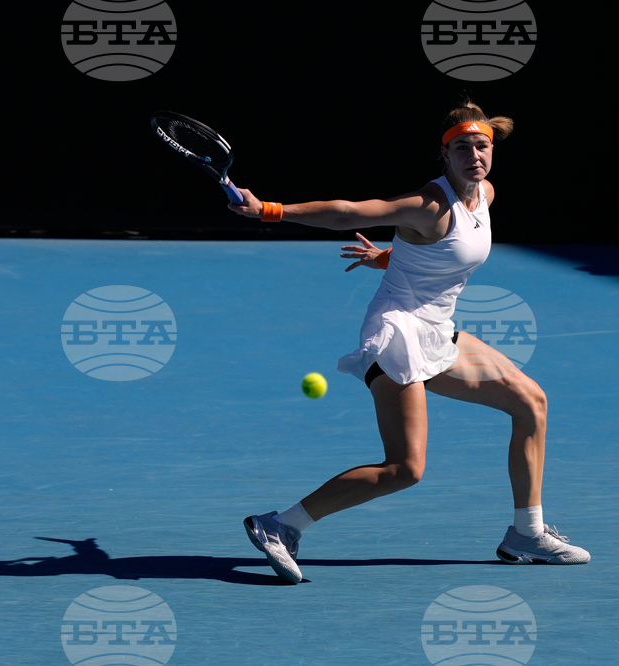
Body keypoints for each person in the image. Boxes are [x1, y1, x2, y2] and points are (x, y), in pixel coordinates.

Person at [229, 101, 590, 584]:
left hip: (438, 330)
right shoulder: (428, 205)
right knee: (404, 469)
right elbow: (349, 213)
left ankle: (526, 533)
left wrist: (388, 258)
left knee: (531, 402)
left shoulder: (484, 195)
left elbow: (436, 255)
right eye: (462, 147)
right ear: (444, 155)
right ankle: (280, 525)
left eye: (481, 146)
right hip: (398, 332)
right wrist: (269, 210)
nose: (474, 155)